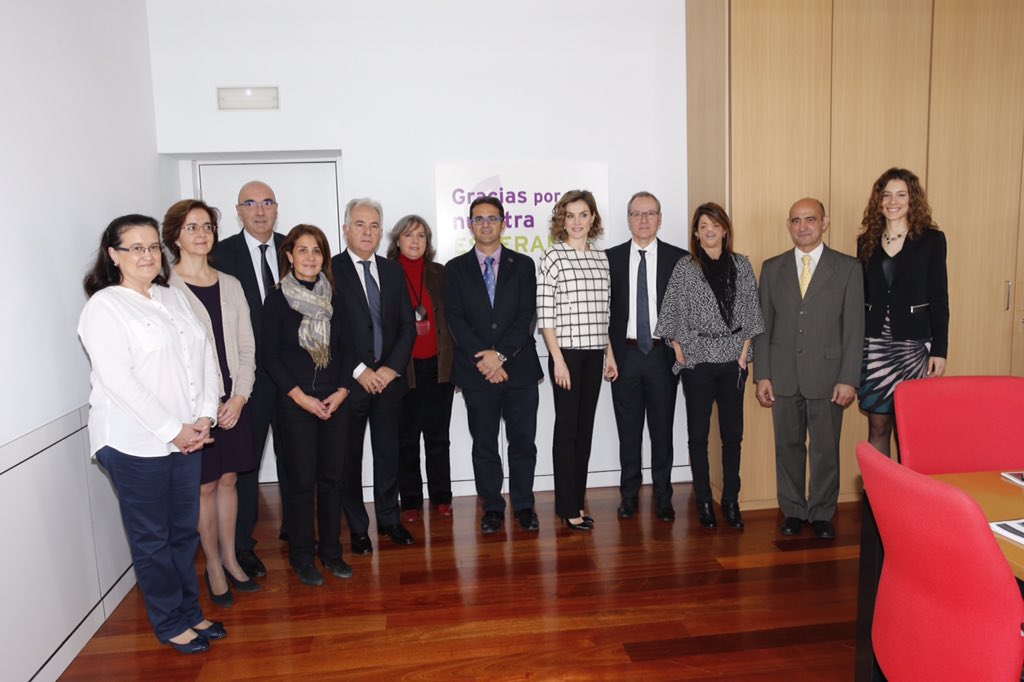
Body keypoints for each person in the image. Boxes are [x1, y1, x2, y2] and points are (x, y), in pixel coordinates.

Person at [79, 214, 225, 654]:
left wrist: (203, 418)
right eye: (134, 248)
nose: (146, 255)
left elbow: (204, 355)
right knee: (153, 538)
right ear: (113, 255)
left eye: (151, 247)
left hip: (188, 438)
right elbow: (121, 383)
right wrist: (173, 430)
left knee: (183, 532)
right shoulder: (105, 307)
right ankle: (169, 622)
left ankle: (190, 611)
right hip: (133, 443)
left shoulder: (171, 297)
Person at [163, 199, 261, 607]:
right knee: (203, 487)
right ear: (175, 237)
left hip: (233, 401)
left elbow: (245, 348)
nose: (202, 234)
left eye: (207, 227)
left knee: (229, 480)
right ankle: (214, 566)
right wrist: (202, 409)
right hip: (193, 408)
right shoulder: (164, 289)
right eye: (192, 228)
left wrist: (239, 397)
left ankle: (232, 558)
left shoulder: (232, 284)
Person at [753, 198, 864, 539]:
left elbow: (854, 328)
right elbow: (763, 326)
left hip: (828, 377)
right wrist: (763, 375)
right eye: (796, 220)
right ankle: (793, 510)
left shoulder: (847, 268)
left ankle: (821, 513)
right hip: (783, 376)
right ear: (789, 225)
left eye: (810, 219)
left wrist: (849, 378)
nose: (803, 226)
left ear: (824, 222)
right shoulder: (772, 268)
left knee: (825, 450)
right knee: (787, 447)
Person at [656, 202, 764, 530]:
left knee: (733, 435)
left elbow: (751, 312)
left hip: (734, 358)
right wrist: (679, 351)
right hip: (697, 359)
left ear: (725, 229)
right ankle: (703, 500)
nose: (709, 230)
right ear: (696, 232)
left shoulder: (741, 265)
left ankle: (731, 499)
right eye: (703, 225)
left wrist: (744, 354)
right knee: (698, 435)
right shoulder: (685, 267)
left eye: (715, 224)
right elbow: (671, 312)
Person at [444, 196, 544, 535]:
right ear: (470, 225)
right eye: (479, 219)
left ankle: (524, 505)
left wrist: (499, 355)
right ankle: (492, 507)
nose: (486, 224)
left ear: (503, 223)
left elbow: (525, 315)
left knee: (523, 442)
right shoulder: (455, 269)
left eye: (492, 218)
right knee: (484, 443)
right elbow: (455, 319)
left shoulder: (524, 264)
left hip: (520, 370)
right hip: (477, 373)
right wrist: (485, 358)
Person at [262, 224, 352, 586]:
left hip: (335, 401)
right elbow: (270, 357)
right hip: (296, 404)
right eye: (303, 250)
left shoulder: (337, 297)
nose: (310, 257)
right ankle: (302, 556)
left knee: (332, 480)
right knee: (301, 483)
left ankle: (331, 552)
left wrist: (343, 390)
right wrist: (300, 397)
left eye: (316, 251)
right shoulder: (277, 298)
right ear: (289, 256)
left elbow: (349, 350)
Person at [210, 180, 287, 579]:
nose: (260, 211)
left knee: (295, 459)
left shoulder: (296, 248)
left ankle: (295, 533)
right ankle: (242, 546)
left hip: (292, 378)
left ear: (277, 208)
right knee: (245, 467)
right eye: (250, 204)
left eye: (267, 202)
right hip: (247, 380)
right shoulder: (220, 255)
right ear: (238, 211)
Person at [332, 199, 416, 553]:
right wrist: (360, 370)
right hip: (351, 383)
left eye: (374, 225)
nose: (368, 232)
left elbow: (406, 327)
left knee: (388, 453)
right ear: (346, 229)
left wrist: (390, 369)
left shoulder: (393, 270)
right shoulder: (331, 269)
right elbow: (331, 330)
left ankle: (389, 519)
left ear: (382, 232)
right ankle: (358, 528)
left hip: (389, 380)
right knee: (349, 458)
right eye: (360, 224)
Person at [606, 191, 687, 523]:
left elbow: (687, 310)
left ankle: (664, 498)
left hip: (661, 354)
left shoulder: (679, 259)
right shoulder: (608, 259)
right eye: (637, 214)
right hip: (624, 355)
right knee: (628, 431)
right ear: (628, 219)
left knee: (662, 430)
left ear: (660, 218)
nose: (643, 220)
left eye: (650, 213)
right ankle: (629, 497)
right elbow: (604, 313)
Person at [537, 190, 615, 531]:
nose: (578, 221)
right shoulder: (552, 257)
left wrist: (609, 354)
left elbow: (605, 312)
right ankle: (567, 507)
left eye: (584, 214)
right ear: (562, 220)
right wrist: (557, 360)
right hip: (566, 354)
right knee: (566, 430)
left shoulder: (601, 259)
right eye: (571, 215)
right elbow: (546, 316)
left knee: (584, 431)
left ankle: (576, 503)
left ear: (593, 218)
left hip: (595, 354)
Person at [857, 168, 948, 456]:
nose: (892, 201)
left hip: (914, 348)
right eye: (886, 195)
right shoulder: (866, 241)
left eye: (901, 194)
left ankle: (911, 500)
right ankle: (878, 500)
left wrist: (940, 350)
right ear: (878, 201)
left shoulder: (932, 240)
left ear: (912, 200)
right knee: (878, 428)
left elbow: (939, 297)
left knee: (912, 433)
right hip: (875, 348)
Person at [386, 215, 455, 522]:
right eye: (408, 235)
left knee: (438, 437)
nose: (415, 241)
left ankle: (442, 496)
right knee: (407, 438)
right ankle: (411, 500)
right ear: (397, 240)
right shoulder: (387, 273)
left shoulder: (441, 273)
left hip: (439, 368)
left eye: (421, 236)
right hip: (404, 370)